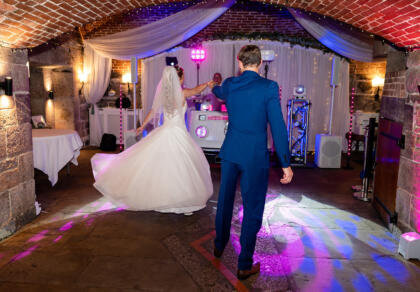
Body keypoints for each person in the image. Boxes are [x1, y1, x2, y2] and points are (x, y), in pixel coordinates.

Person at [209, 45, 293, 279]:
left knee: (224, 201)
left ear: (239, 63)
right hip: (254, 156)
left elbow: (218, 91)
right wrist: (285, 161)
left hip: (231, 152)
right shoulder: (268, 87)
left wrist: (213, 84)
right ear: (259, 63)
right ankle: (244, 263)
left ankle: (219, 244)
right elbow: (277, 126)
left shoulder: (230, 85)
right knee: (253, 207)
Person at [91, 66, 214, 215]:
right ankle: (182, 200)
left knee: (165, 166)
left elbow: (153, 111)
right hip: (178, 133)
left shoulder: (164, 95)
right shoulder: (182, 93)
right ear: (179, 79)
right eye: (183, 77)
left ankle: (170, 197)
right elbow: (197, 90)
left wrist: (142, 126)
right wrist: (208, 83)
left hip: (166, 131)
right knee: (179, 167)